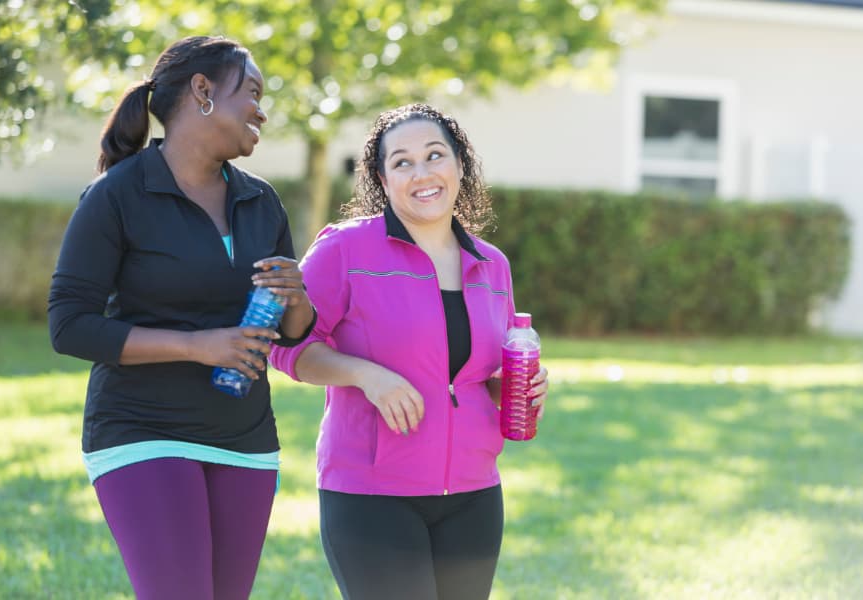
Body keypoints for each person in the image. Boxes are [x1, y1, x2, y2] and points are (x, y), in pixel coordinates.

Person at [48, 36, 316, 599]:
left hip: (244, 438)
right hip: (144, 431)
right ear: (202, 92)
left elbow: (294, 333)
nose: (261, 108)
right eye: (252, 91)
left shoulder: (261, 201)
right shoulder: (116, 196)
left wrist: (297, 297)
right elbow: (69, 325)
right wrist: (198, 346)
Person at [269, 103, 549, 600]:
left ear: (460, 165)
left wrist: (512, 387)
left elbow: (479, 368)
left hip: (473, 492)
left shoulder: (492, 264)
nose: (422, 173)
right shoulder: (345, 250)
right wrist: (365, 374)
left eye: (434, 155)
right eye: (402, 162)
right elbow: (289, 346)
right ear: (382, 177)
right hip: (372, 493)